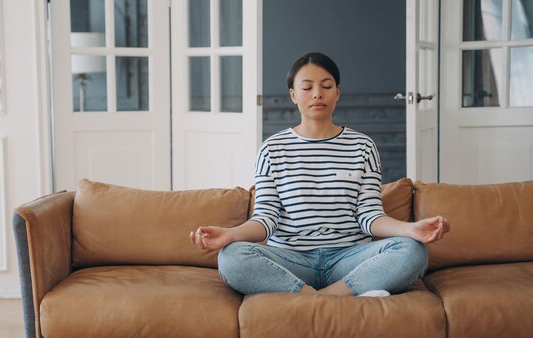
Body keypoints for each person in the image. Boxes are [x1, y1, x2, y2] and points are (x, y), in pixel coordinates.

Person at [190, 52, 450, 297]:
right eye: (307, 87)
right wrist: (229, 234)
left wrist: (411, 229)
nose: (317, 94)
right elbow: (265, 220)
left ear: (337, 92)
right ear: (293, 95)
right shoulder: (272, 149)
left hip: (348, 258)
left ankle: (324, 297)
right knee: (231, 257)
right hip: (291, 260)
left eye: (326, 86)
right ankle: (336, 295)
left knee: (412, 251)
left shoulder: (362, 146)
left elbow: (370, 216)